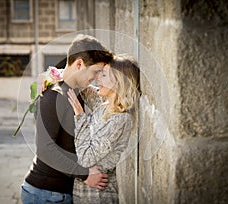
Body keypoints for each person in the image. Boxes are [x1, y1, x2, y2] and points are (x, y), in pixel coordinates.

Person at [21, 34, 113, 204]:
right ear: (79, 64)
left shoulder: (77, 91)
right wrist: (84, 174)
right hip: (45, 194)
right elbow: (44, 148)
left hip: (58, 193)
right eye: (95, 72)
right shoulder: (53, 96)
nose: (96, 78)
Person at [67, 54, 140, 203]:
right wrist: (49, 76)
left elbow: (86, 159)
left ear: (119, 82)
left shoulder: (120, 119)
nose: (97, 77)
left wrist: (80, 116)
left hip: (99, 196)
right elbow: (80, 83)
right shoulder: (104, 105)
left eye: (104, 74)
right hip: (83, 193)